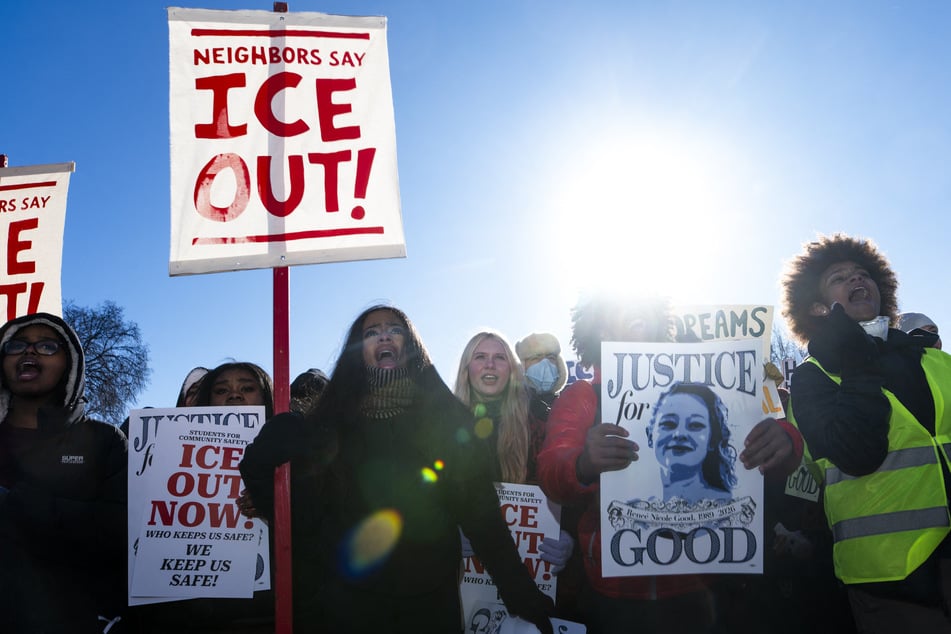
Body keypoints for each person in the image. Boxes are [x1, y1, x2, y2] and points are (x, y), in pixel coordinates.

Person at [240, 305, 554, 633]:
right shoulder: (327, 427)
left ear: (411, 346)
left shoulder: (448, 424)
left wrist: (524, 597)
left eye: (395, 330)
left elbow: (485, 522)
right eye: (371, 333)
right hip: (345, 610)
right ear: (357, 352)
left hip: (427, 610)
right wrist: (265, 457)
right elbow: (299, 515)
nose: (384, 335)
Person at [536, 292, 800, 634]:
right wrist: (581, 464)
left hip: (703, 590)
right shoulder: (583, 396)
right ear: (597, 328)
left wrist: (786, 440)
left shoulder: (706, 384)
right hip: (613, 597)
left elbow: (759, 431)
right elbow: (551, 469)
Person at [781, 234, 951, 633]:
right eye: (839, 277)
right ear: (819, 308)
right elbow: (856, 452)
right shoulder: (813, 377)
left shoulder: (933, 359)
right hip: (892, 578)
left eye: (863, 274)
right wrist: (855, 359)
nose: (858, 279)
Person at [0, 312, 128, 634]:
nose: (28, 352)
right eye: (16, 345)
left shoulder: (105, 441)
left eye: (46, 346)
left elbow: (120, 533)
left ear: (70, 364)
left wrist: (21, 503)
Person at [453, 332, 575, 600]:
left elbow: (564, 486)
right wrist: (445, 530)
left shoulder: (541, 421)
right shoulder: (440, 426)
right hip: (463, 587)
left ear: (512, 369)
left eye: (499, 358)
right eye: (480, 357)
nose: (490, 365)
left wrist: (568, 537)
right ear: (466, 367)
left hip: (530, 582)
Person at [646, 381, 736, 504]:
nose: (679, 434)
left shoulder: (731, 508)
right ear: (650, 435)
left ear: (712, 440)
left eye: (695, 425)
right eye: (668, 424)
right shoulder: (635, 508)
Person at [515, 332, 569, 421]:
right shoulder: (510, 410)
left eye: (551, 357)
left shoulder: (570, 405)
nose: (545, 363)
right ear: (522, 366)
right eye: (535, 358)